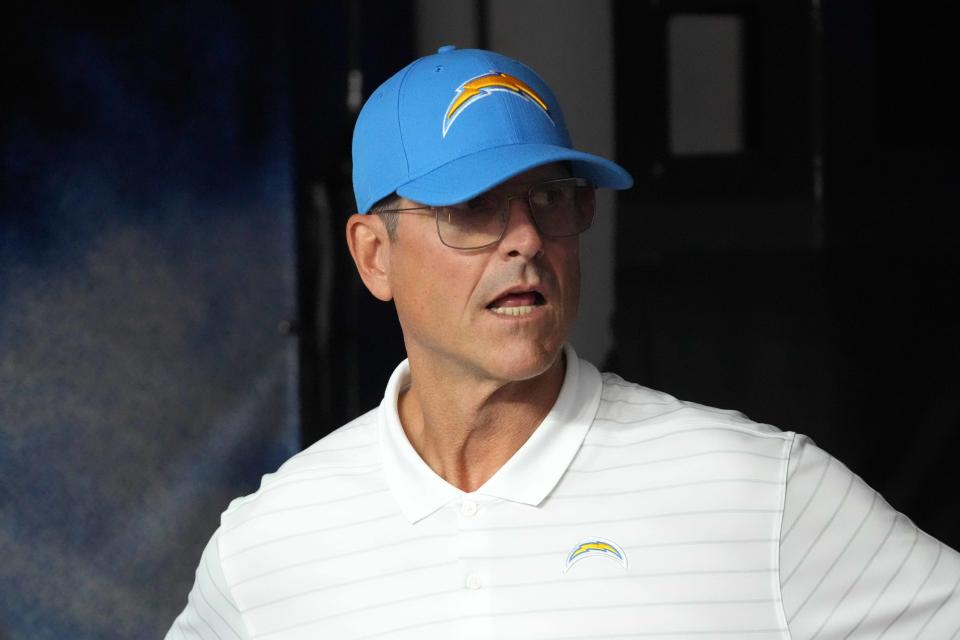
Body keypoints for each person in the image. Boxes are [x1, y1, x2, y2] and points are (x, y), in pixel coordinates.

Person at [166, 46, 959, 640]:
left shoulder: (758, 490)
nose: (525, 239)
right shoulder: (269, 543)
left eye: (551, 197)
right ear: (374, 255)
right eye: (473, 207)